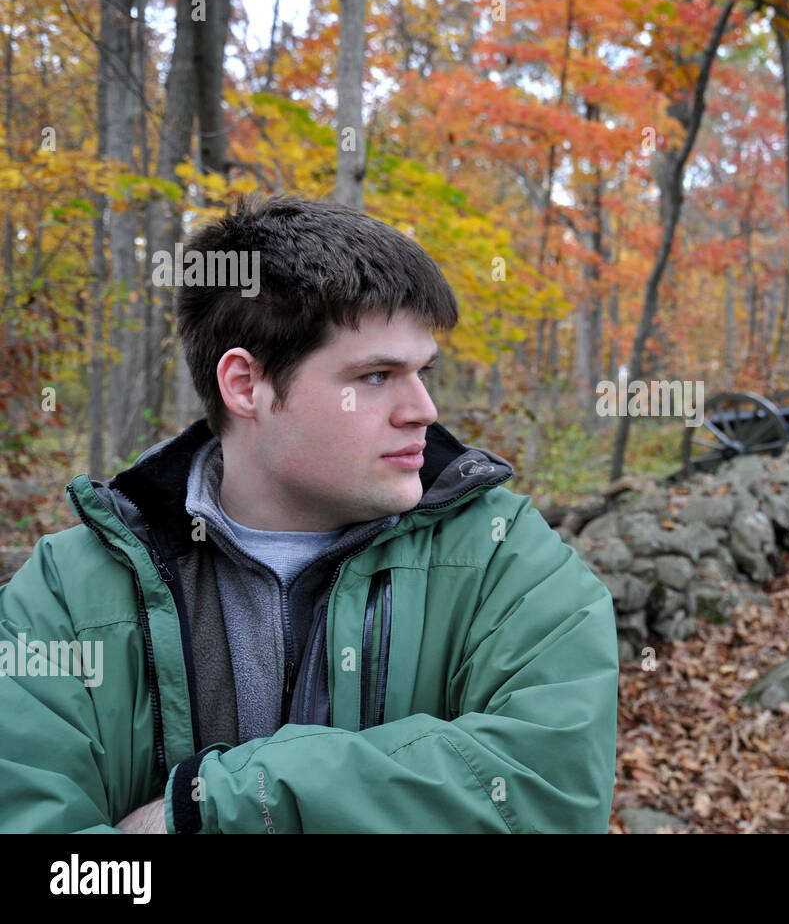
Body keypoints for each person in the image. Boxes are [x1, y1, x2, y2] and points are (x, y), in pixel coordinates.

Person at [0, 194, 619, 833]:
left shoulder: (504, 557)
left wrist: (211, 810)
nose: (424, 409)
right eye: (377, 376)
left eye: (422, 371)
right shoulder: (65, 598)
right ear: (246, 385)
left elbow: (549, 797)